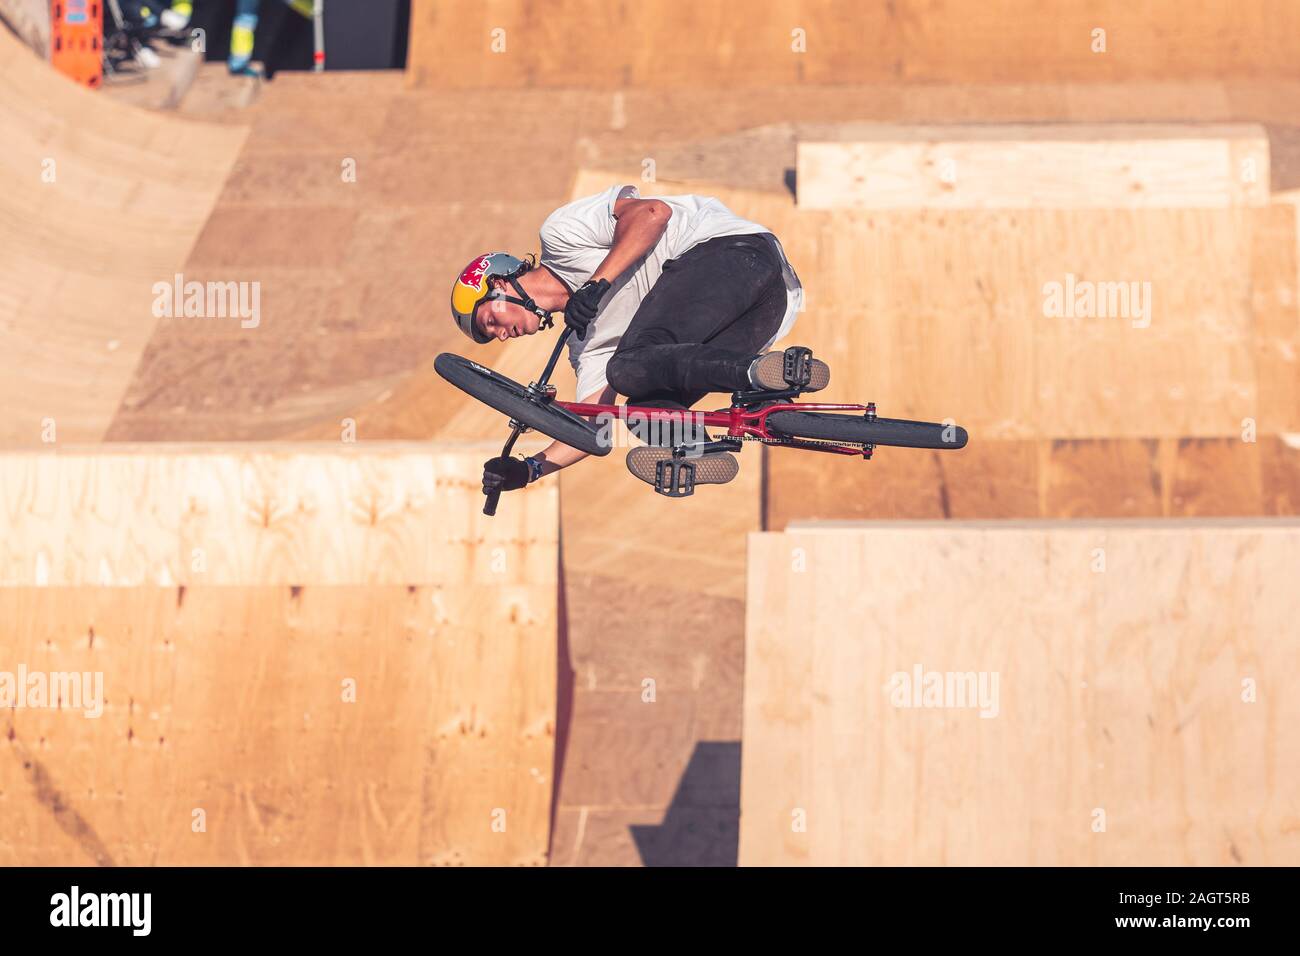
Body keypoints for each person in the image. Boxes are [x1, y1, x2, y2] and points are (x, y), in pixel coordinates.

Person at [450, 184, 828, 496]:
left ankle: (753, 373)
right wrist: (529, 469)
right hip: (769, 309)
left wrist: (597, 285)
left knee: (628, 367)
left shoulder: (561, 234)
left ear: (498, 284)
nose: (500, 335)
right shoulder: (586, 343)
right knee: (642, 410)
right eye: (492, 336)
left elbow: (653, 213)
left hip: (731, 254)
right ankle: (711, 434)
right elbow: (593, 427)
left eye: (490, 321)